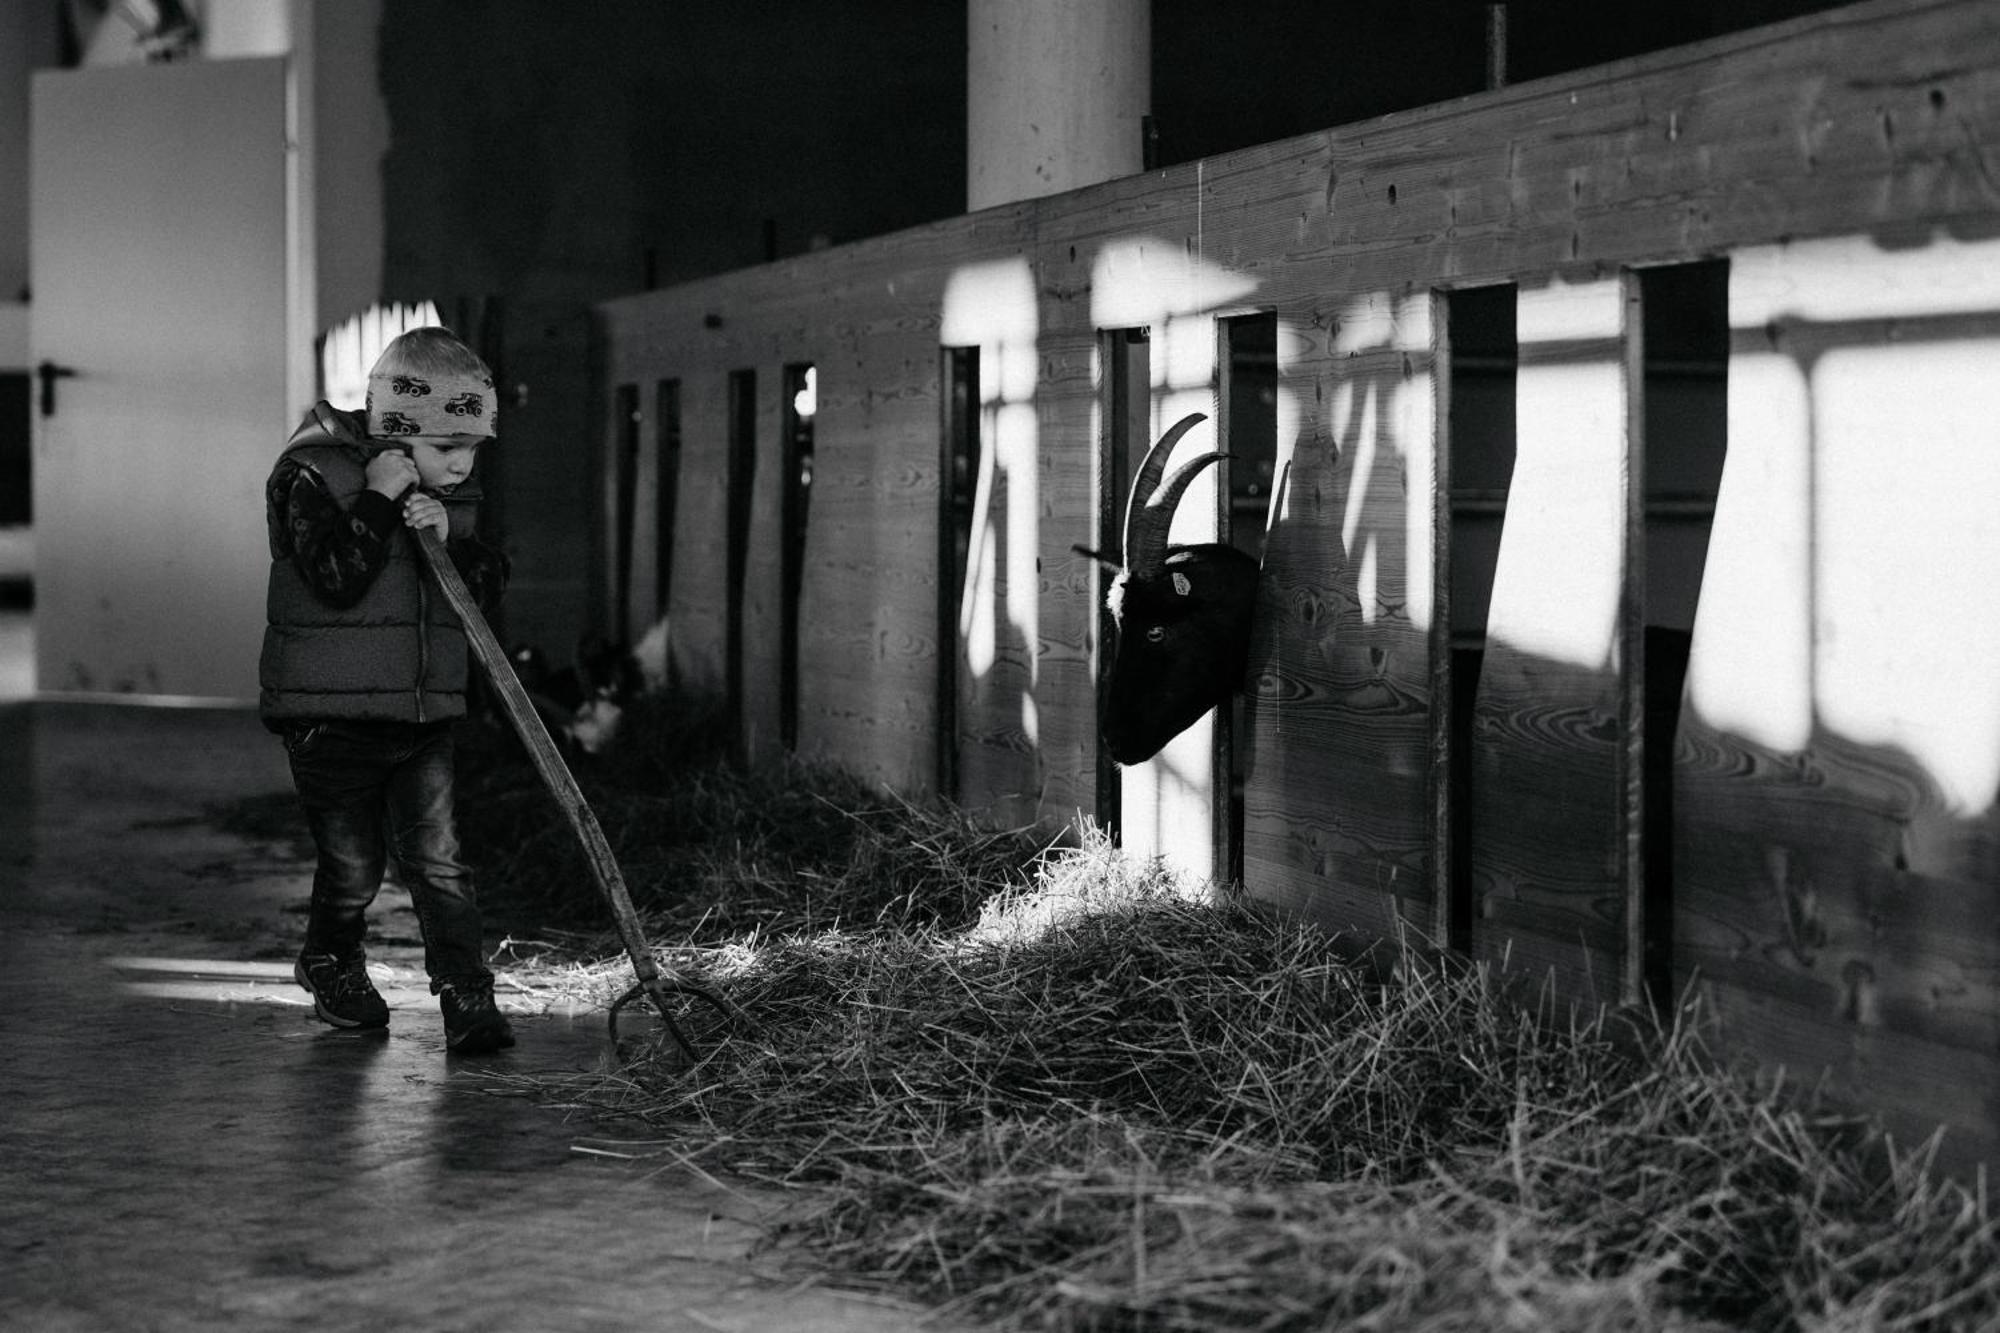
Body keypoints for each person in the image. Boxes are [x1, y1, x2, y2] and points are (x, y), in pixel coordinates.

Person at [259, 326, 515, 1054]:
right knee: (354, 865)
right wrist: (376, 502)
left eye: (472, 447)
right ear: (394, 432)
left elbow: (489, 588)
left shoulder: (451, 492)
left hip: (422, 712)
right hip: (329, 716)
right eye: (445, 447)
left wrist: (453, 542)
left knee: (438, 858)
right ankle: (331, 958)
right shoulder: (310, 474)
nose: (461, 464)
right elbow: (335, 579)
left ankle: (467, 994)